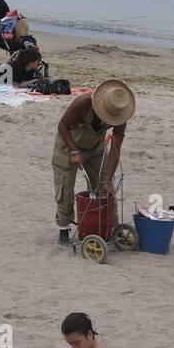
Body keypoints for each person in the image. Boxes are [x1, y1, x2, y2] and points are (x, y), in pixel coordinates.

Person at [52, 80, 135, 244]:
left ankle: (110, 226)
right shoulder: (83, 103)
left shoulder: (121, 113)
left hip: (95, 149)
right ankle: (64, 227)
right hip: (68, 145)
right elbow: (62, 125)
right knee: (65, 187)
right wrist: (74, 151)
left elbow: (115, 148)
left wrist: (108, 179)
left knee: (104, 187)